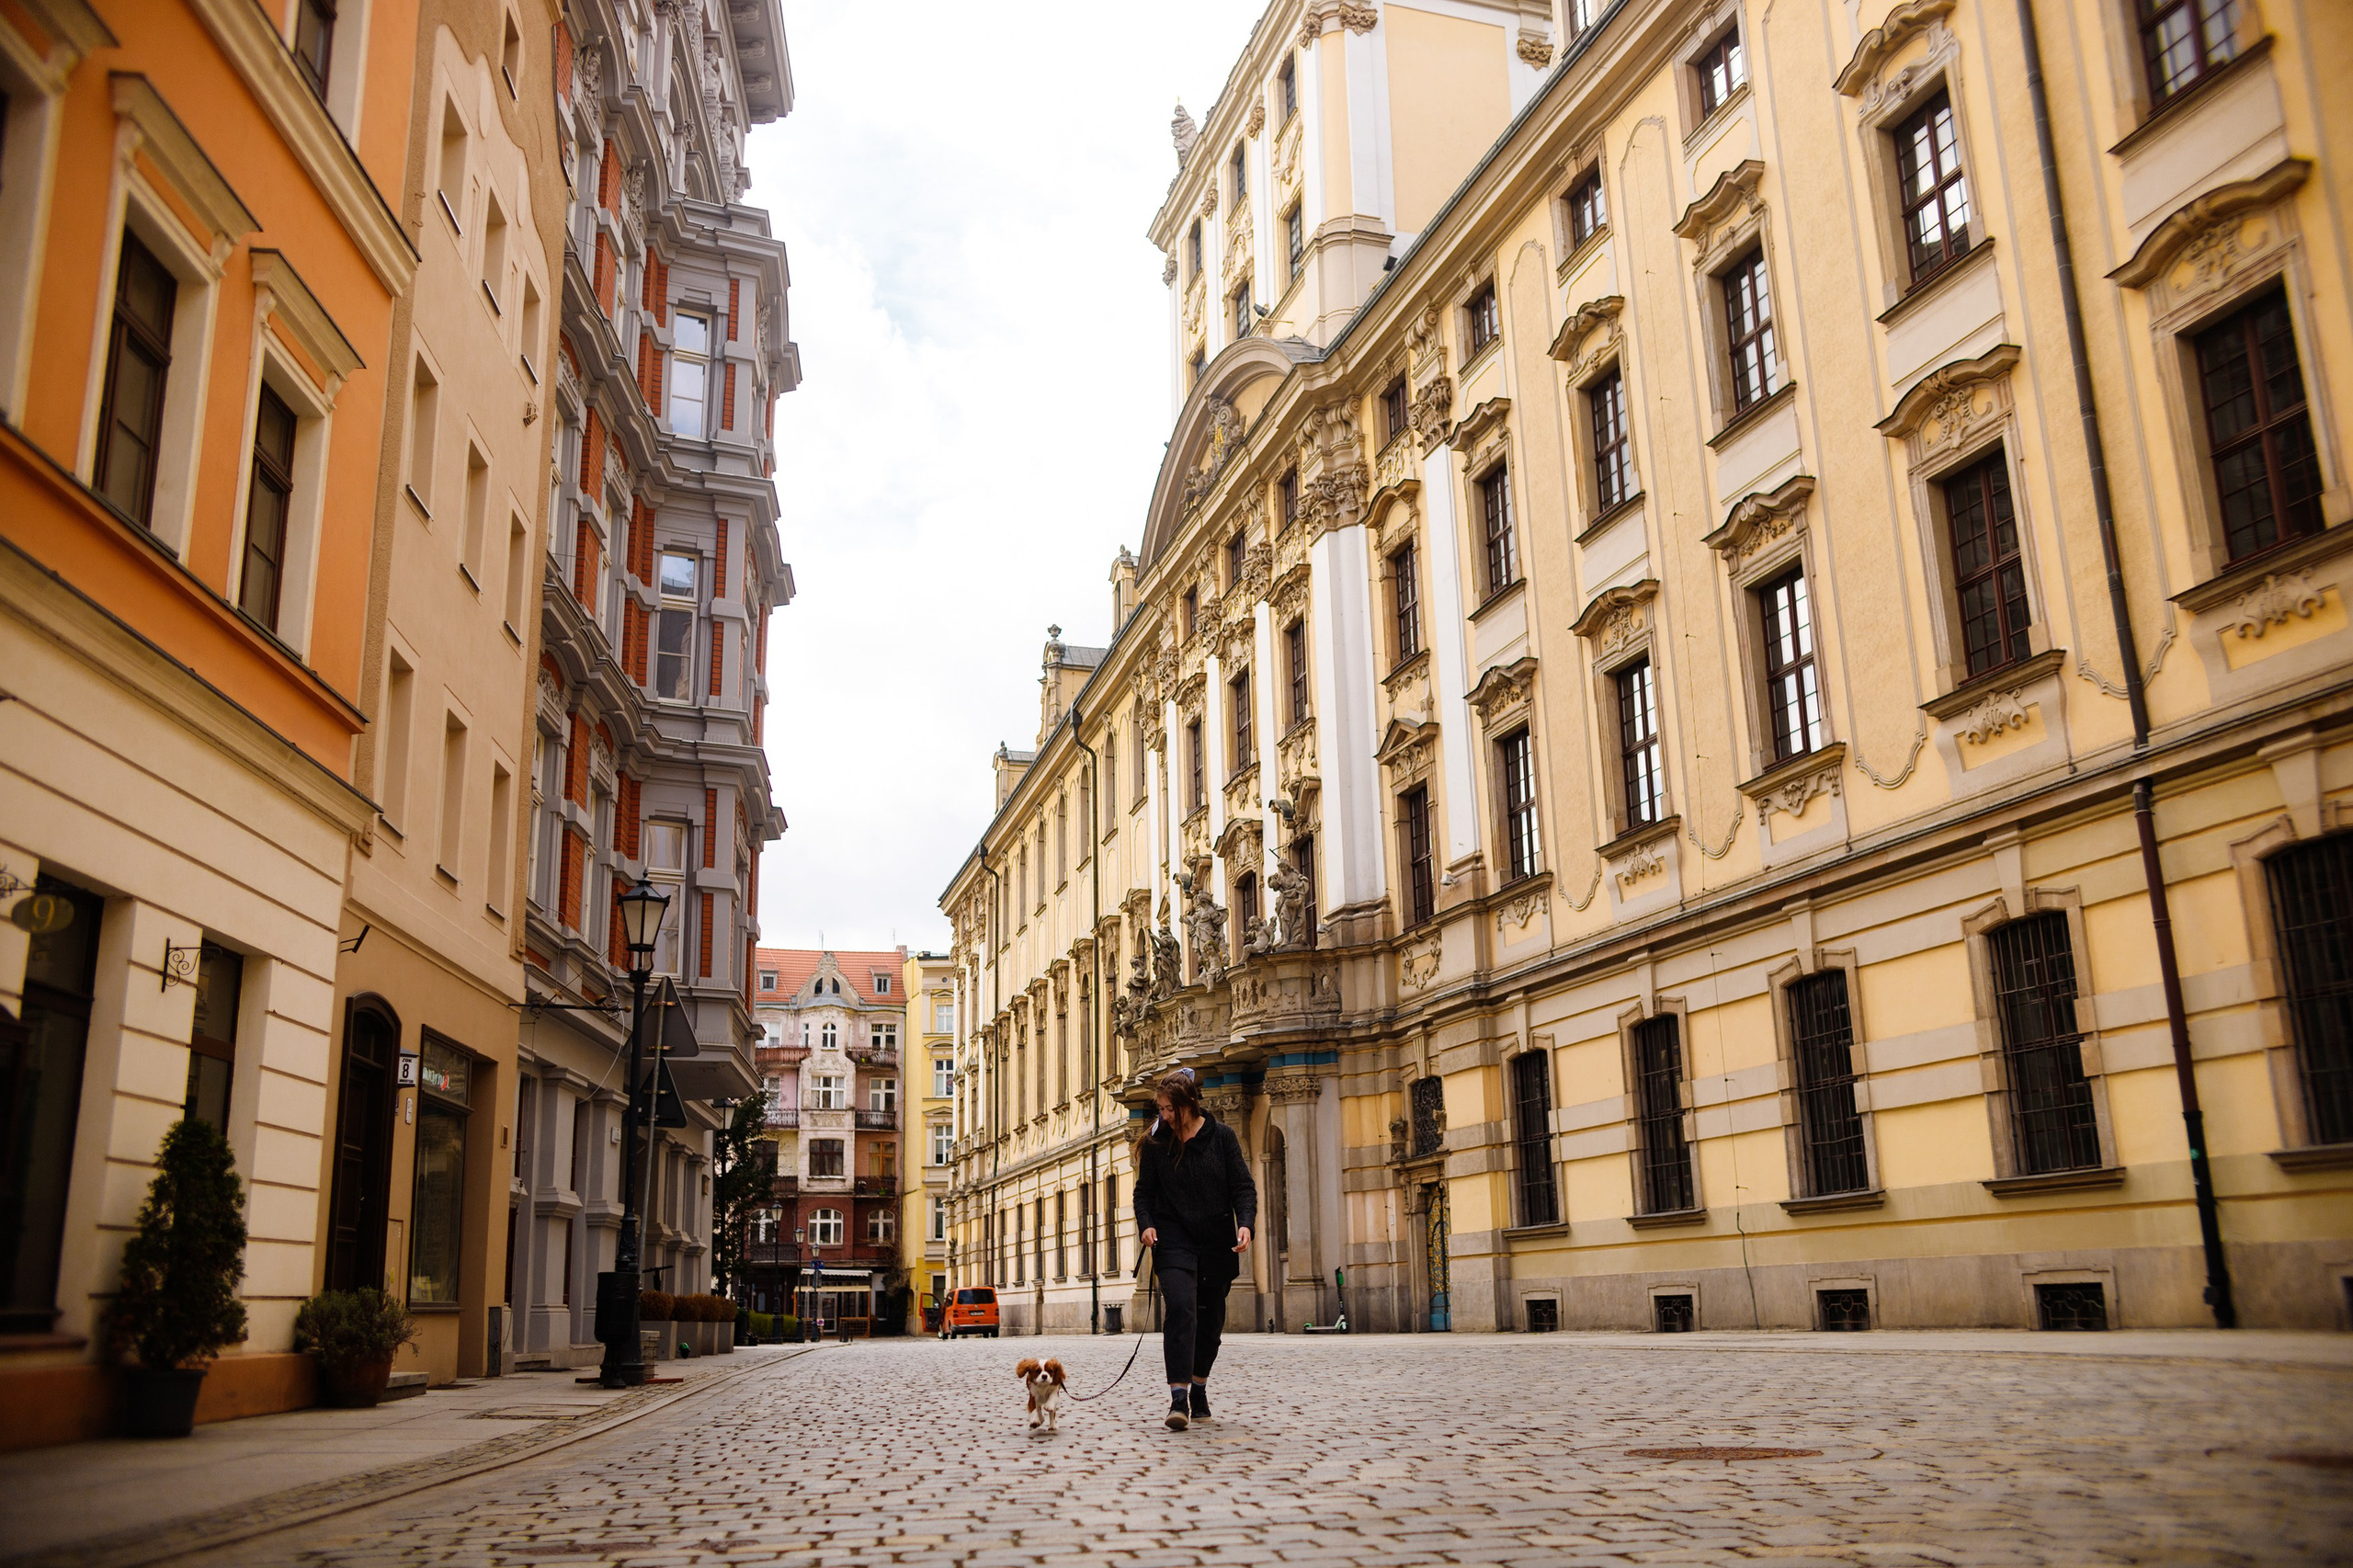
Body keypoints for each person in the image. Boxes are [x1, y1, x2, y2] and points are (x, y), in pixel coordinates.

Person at [1132, 1070, 1257, 1431]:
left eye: (1169, 1109)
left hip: (1217, 1241)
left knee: (1211, 1323)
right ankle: (1178, 1399)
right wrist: (1147, 1224)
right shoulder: (1159, 1144)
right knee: (1182, 1309)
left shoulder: (1222, 1138)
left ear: (1188, 1105)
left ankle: (1199, 1387)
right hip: (1173, 1240)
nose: (1164, 1116)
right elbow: (1144, 1193)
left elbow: (1243, 1188)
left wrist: (1245, 1223)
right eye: (1161, 1109)